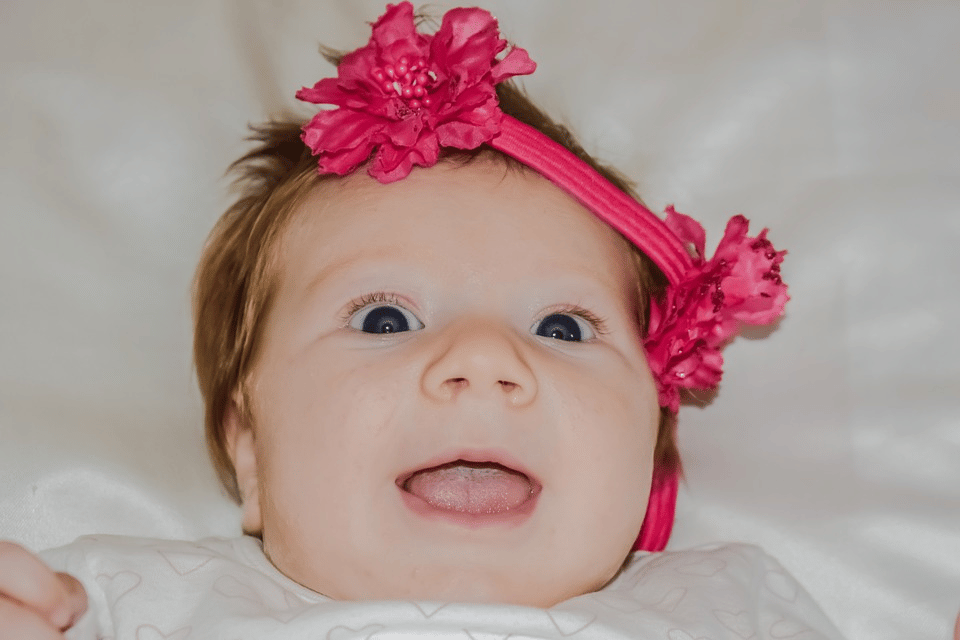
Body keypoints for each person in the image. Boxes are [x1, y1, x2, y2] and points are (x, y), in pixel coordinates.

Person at [0, 3, 848, 638]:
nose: (481, 358)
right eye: (382, 319)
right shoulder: (135, 602)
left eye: (562, 327)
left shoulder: (724, 607)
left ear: (652, 442)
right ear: (250, 449)